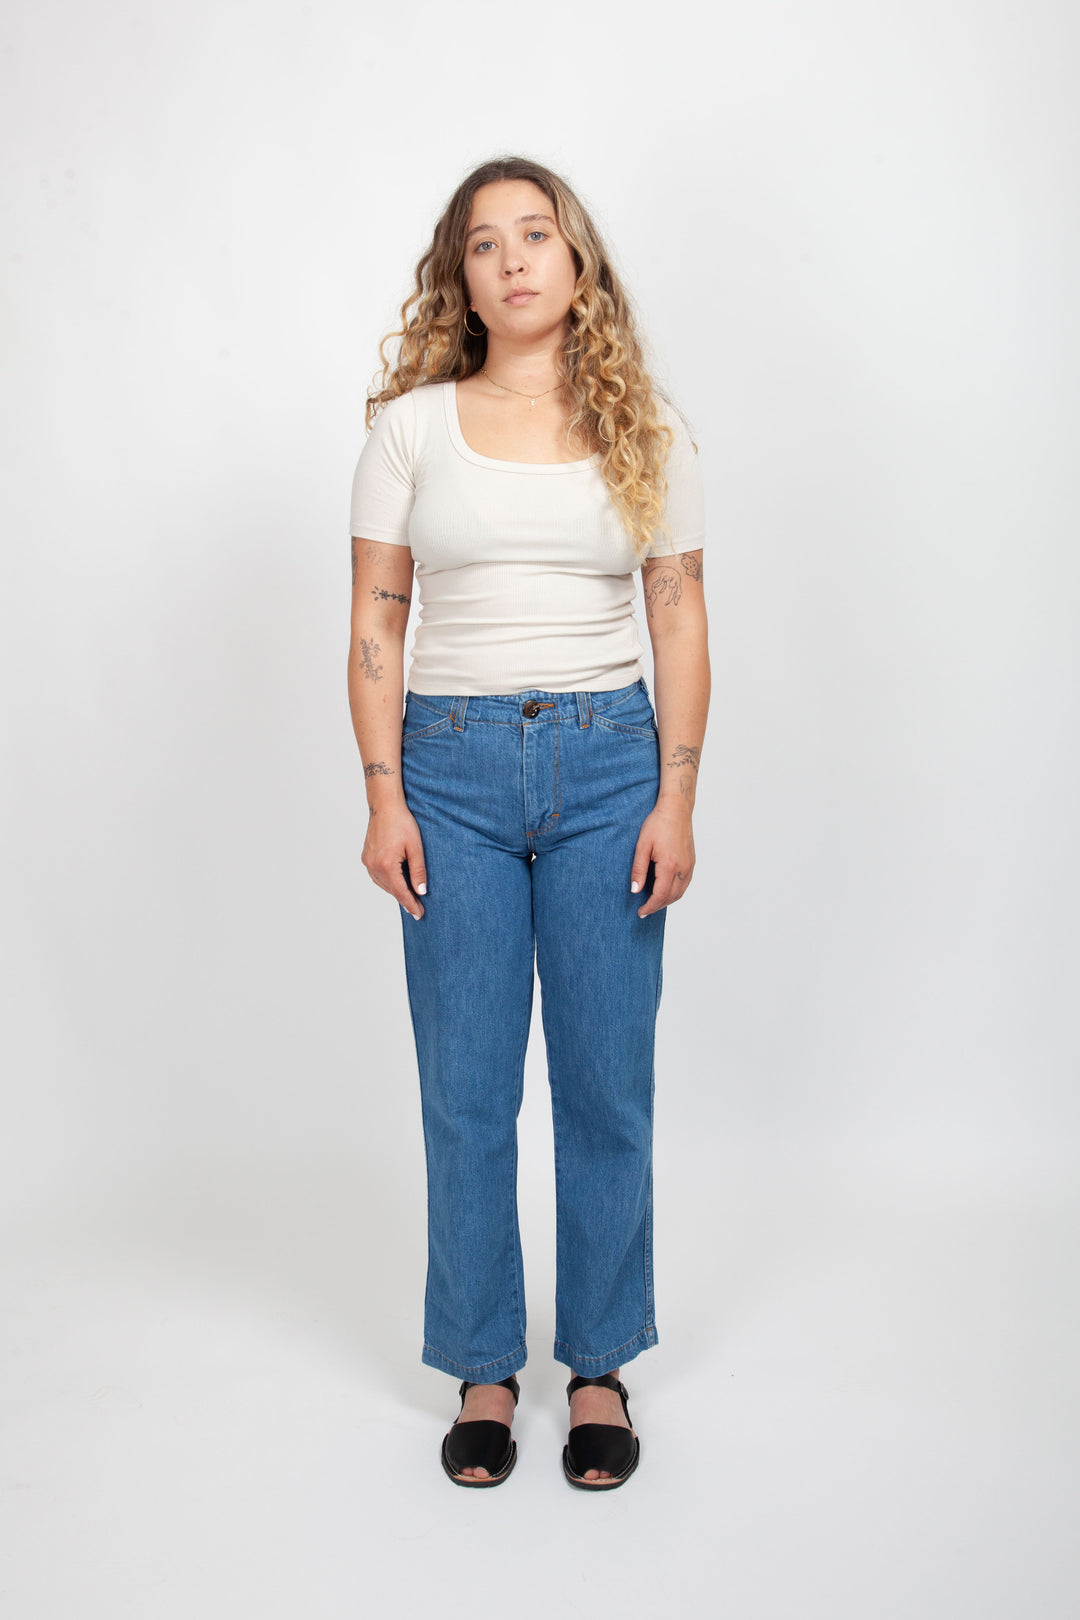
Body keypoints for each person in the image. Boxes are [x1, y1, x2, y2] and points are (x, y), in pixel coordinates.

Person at [347, 156, 709, 1490]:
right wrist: (383, 794)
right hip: (449, 771)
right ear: (462, 277)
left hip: (612, 764)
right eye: (485, 242)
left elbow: (680, 619)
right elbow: (376, 623)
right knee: (467, 1090)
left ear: (576, 259)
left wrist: (676, 794)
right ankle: (485, 1366)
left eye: (536, 234)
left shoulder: (643, 426)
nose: (512, 260)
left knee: (607, 1082)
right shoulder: (411, 430)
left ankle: (600, 1360)